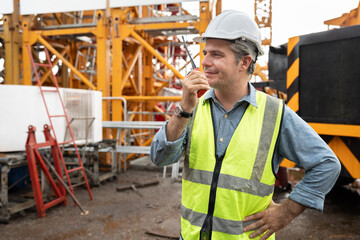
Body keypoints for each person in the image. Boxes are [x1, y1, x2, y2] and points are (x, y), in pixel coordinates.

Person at [150, 10, 340, 240]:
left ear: (245, 62)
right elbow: (159, 158)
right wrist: (183, 111)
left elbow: (327, 164)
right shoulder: (193, 107)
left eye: (217, 55)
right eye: (205, 53)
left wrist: (286, 213)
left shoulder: (274, 114)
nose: (205, 62)